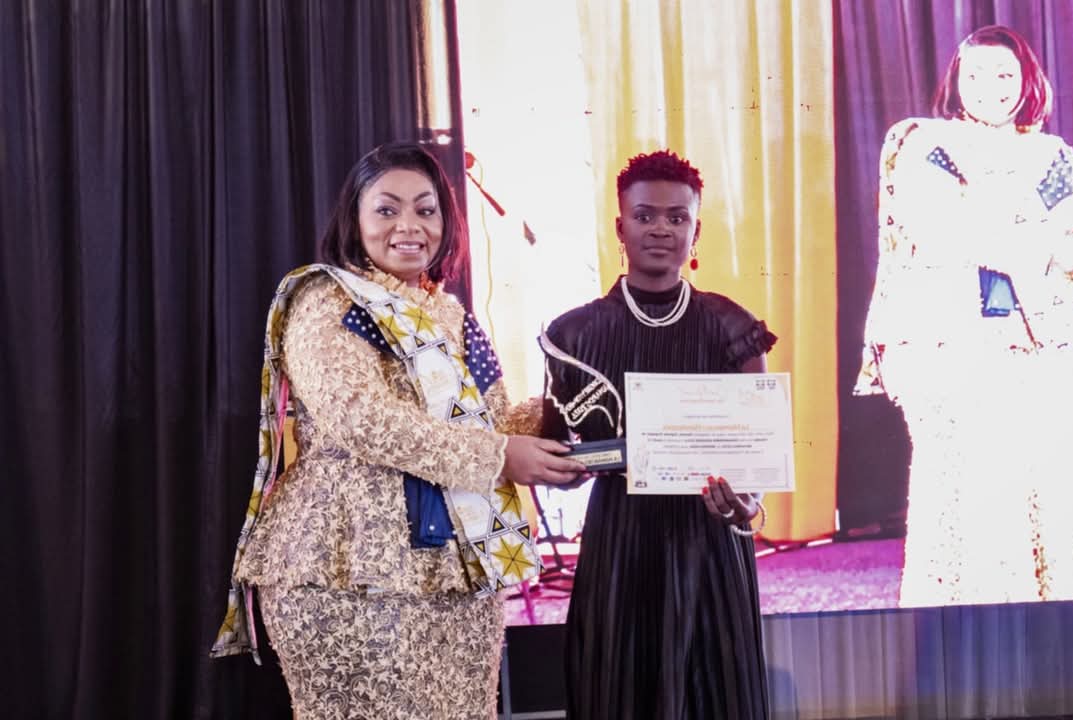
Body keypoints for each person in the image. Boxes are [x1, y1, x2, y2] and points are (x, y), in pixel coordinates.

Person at [210, 142, 585, 719]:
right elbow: (362, 420)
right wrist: (500, 456)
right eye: (387, 209)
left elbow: (491, 420)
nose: (409, 226)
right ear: (354, 219)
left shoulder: (451, 313)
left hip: (456, 568)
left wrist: (568, 418)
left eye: (425, 210)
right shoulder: (328, 301)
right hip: (346, 566)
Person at [540, 150, 775, 719]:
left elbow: (756, 458)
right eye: (645, 216)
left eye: (677, 217)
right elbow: (558, 460)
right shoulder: (574, 334)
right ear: (620, 227)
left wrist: (746, 504)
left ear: (696, 231)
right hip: (621, 541)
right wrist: (579, 464)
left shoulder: (732, 327)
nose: (661, 229)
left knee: (718, 696)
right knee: (619, 693)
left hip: (709, 542)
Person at [855, 25, 1073, 606]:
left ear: (1028, 81)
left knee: (1048, 492)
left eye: (1006, 74)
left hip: (1039, 349)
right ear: (956, 80)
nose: (991, 87)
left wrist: (1028, 238)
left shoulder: (1053, 155)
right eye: (976, 74)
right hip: (951, 347)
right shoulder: (925, 144)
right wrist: (1036, 236)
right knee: (968, 492)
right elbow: (946, 230)